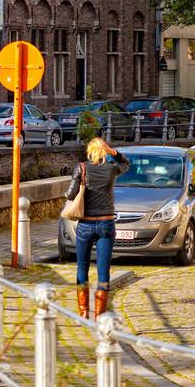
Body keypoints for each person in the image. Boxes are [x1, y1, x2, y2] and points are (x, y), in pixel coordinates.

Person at [65, 136, 129, 318]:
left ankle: (83, 310)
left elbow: (70, 195)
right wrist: (113, 152)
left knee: (82, 266)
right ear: (103, 152)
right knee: (103, 269)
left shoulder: (82, 168)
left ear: (89, 152)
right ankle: (99, 314)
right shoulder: (111, 169)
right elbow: (126, 163)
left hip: (86, 224)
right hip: (106, 224)